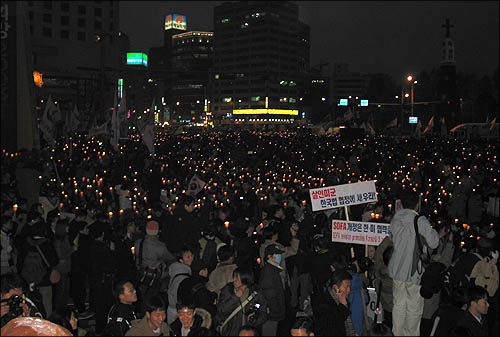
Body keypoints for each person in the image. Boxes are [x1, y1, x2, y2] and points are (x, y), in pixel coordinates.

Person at [388, 191, 439, 336]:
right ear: (417, 204)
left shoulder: (395, 219)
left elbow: (392, 240)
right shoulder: (420, 220)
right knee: (414, 308)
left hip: (397, 269)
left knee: (398, 305)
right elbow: (434, 242)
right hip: (414, 271)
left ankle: (396, 333)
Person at [216, 268, 268, 336]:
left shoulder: (256, 293)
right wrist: (235, 298)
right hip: (231, 331)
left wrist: (255, 320)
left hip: (249, 333)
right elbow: (221, 310)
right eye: (234, 277)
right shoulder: (227, 291)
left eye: (237, 278)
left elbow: (263, 314)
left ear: (245, 278)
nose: (234, 280)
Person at [135, 220, 175, 302]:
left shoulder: (138, 243)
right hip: (156, 274)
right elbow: (169, 258)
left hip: (142, 271)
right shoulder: (160, 246)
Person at [312, 269, 354, 336]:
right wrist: (343, 306)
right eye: (346, 287)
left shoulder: (342, 300)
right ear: (335, 288)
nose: (349, 290)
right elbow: (332, 328)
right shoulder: (323, 304)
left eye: (350, 286)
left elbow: (348, 324)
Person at [259, 244, 286, 336]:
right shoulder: (269, 272)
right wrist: (276, 312)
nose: (279, 257)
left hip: (273, 313)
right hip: (271, 315)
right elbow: (269, 294)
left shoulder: (273, 270)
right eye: (277, 255)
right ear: (269, 257)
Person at [167, 247, 193, 324]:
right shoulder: (182, 277)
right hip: (178, 311)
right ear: (181, 260)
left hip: (171, 308)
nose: (191, 258)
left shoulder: (175, 270)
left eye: (191, 256)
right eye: (188, 257)